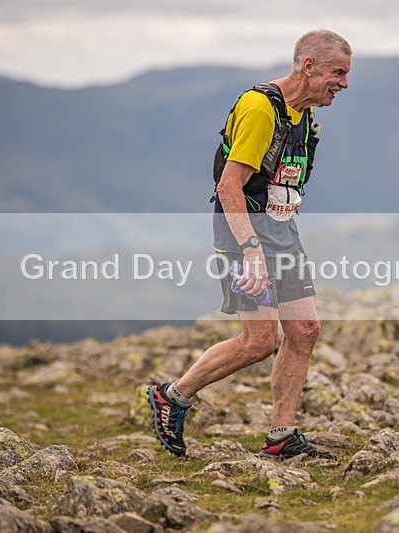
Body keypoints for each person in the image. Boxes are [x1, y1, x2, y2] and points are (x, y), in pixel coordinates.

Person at [148, 29, 351, 459]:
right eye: (338, 73)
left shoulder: (305, 114)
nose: (344, 84)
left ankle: (280, 437)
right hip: (244, 236)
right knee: (258, 342)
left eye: (347, 75)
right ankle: (174, 396)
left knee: (304, 330)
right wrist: (252, 252)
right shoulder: (261, 109)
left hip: (281, 233)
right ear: (308, 66)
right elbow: (228, 185)